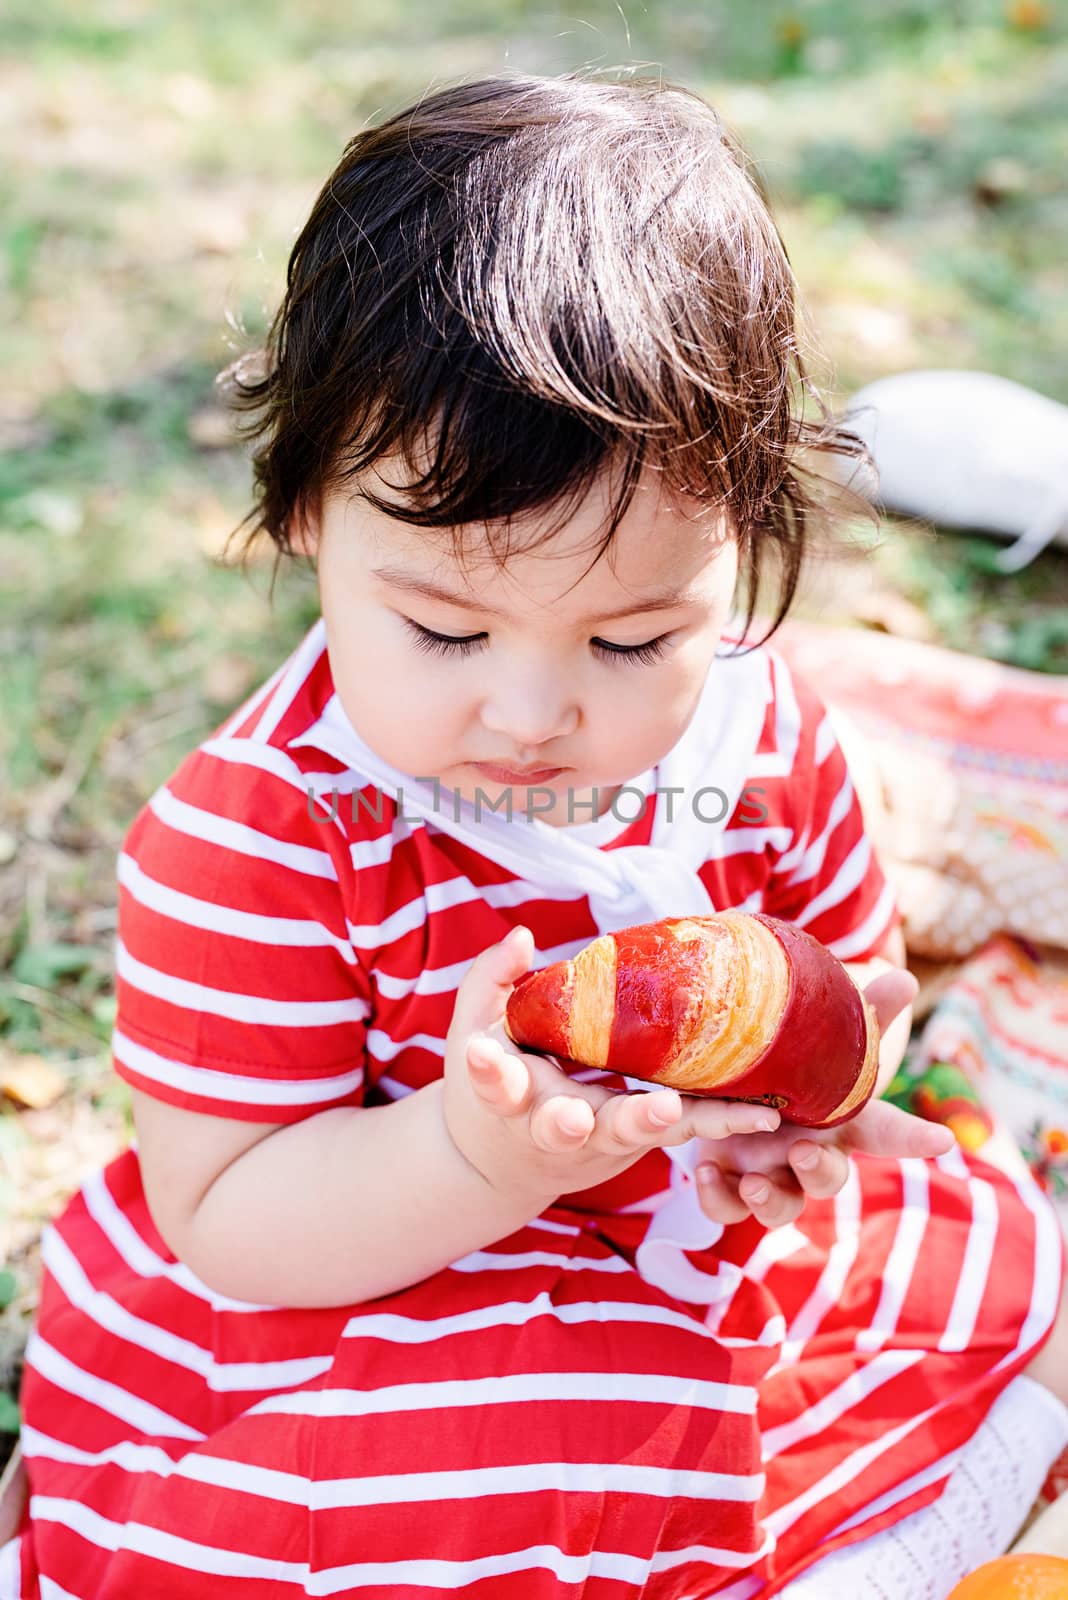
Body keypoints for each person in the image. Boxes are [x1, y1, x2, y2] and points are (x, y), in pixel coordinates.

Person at [3, 71, 1066, 1600]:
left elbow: (849, 972)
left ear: (745, 547)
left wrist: (820, 1105)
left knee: (1009, 1273)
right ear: (306, 512)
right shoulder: (260, 839)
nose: (530, 712)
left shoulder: (764, 737)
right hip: (396, 1285)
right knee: (462, 1494)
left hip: (704, 1253)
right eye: (443, 628)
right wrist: (471, 1154)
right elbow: (237, 1216)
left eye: (633, 641)